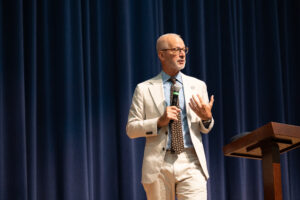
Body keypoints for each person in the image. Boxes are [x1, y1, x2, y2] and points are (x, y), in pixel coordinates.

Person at [126, 33, 214, 200]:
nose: (182, 54)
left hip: (191, 161)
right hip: (159, 163)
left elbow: (206, 127)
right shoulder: (144, 89)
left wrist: (206, 118)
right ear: (161, 55)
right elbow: (131, 129)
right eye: (176, 50)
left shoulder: (198, 85)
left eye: (184, 50)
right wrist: (159, 122)